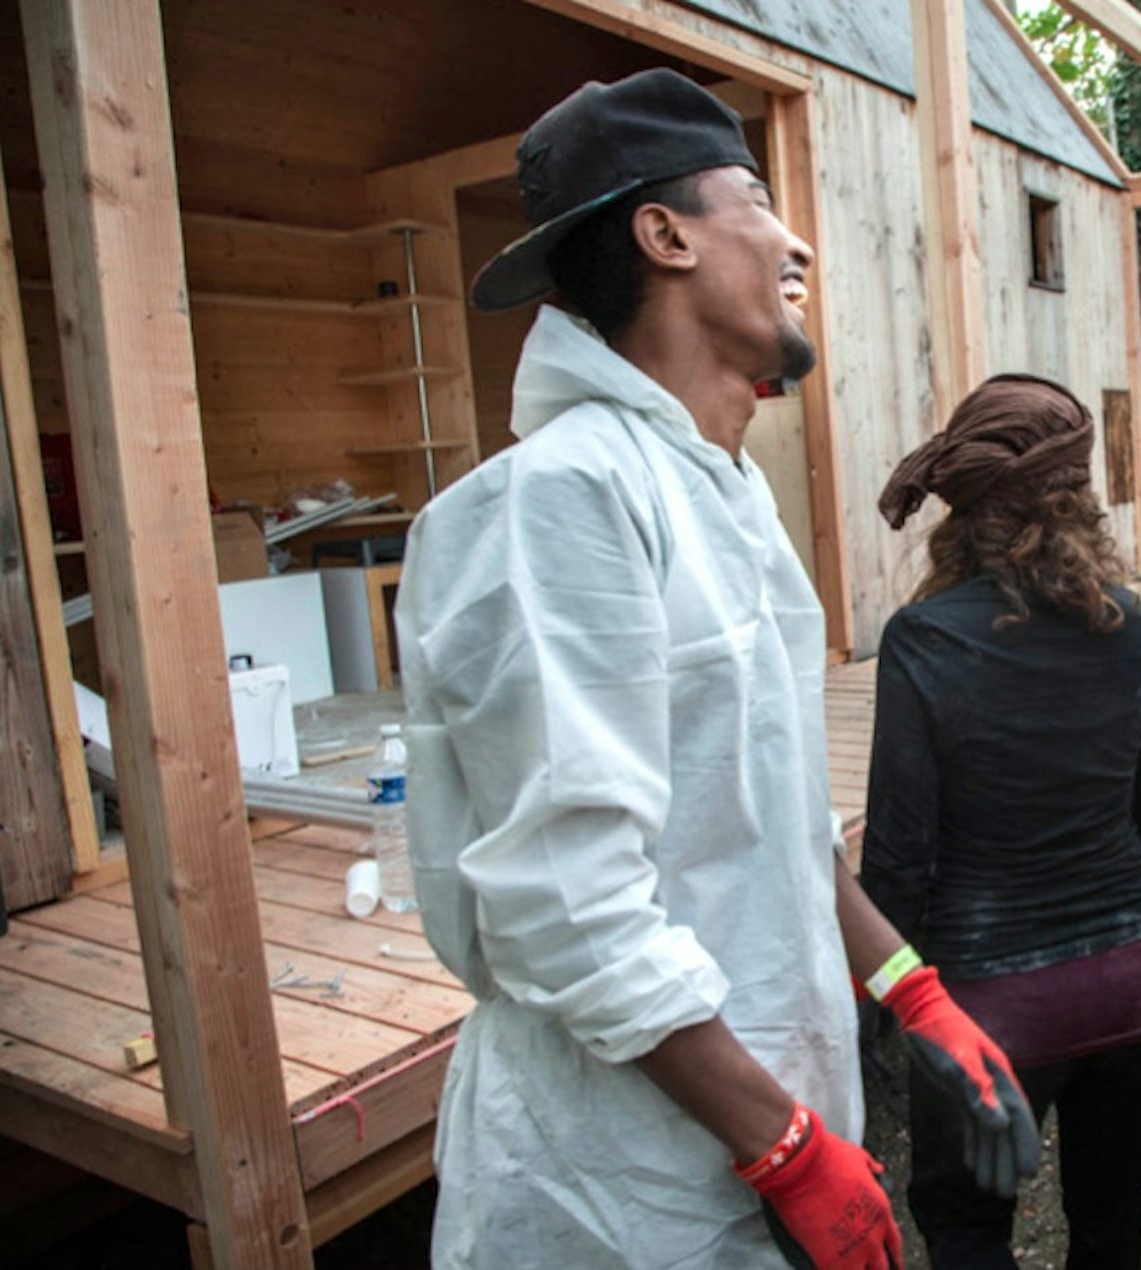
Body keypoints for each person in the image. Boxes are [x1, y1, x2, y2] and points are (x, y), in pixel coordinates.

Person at [395, 70, 1036, 1270]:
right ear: (665, 234)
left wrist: (914, 994)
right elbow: (568, 903)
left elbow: (778, 826)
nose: (798, 243)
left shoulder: (727, 494)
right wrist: (781, 1149)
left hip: (758, 1134)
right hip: (620, 1187)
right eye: (757, 198)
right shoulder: (557, 501)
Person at [860, 375, 1141, 1269]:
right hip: (1139, 979)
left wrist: (876, 1010)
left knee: (966, 1227)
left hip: (991, 1006)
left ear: (962, 511)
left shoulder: (923, 639)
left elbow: (897, 856)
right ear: (1078, 497)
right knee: (1111, 1223)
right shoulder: (1133, 626)